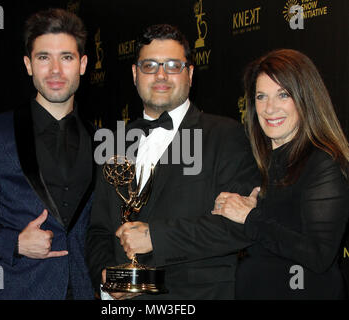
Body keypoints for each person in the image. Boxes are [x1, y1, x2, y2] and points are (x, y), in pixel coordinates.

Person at [86, 24, 258, 300]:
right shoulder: (115, 143)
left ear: (189, 73)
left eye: (173, 65)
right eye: (150, 65)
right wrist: (107, 279)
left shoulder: (225, 136)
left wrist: (156, 236)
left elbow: (238, 227)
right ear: (134, 74)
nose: (161, 75)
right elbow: (99, 228)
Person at [0, 8, 95, 299]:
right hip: (18, 290)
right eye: (44, 58)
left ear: (83, 64)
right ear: (28, 65)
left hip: (84, 290)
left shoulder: (101, 140)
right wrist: (13, 242)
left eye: (66, 57)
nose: (55, 70)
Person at [212, 49, 349, 299]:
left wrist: (250, 217)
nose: (270, 108)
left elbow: (319, 255)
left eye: (283, 95)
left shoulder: (322, 163)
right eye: (261, 96)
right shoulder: (258, 161)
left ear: (305, 98)